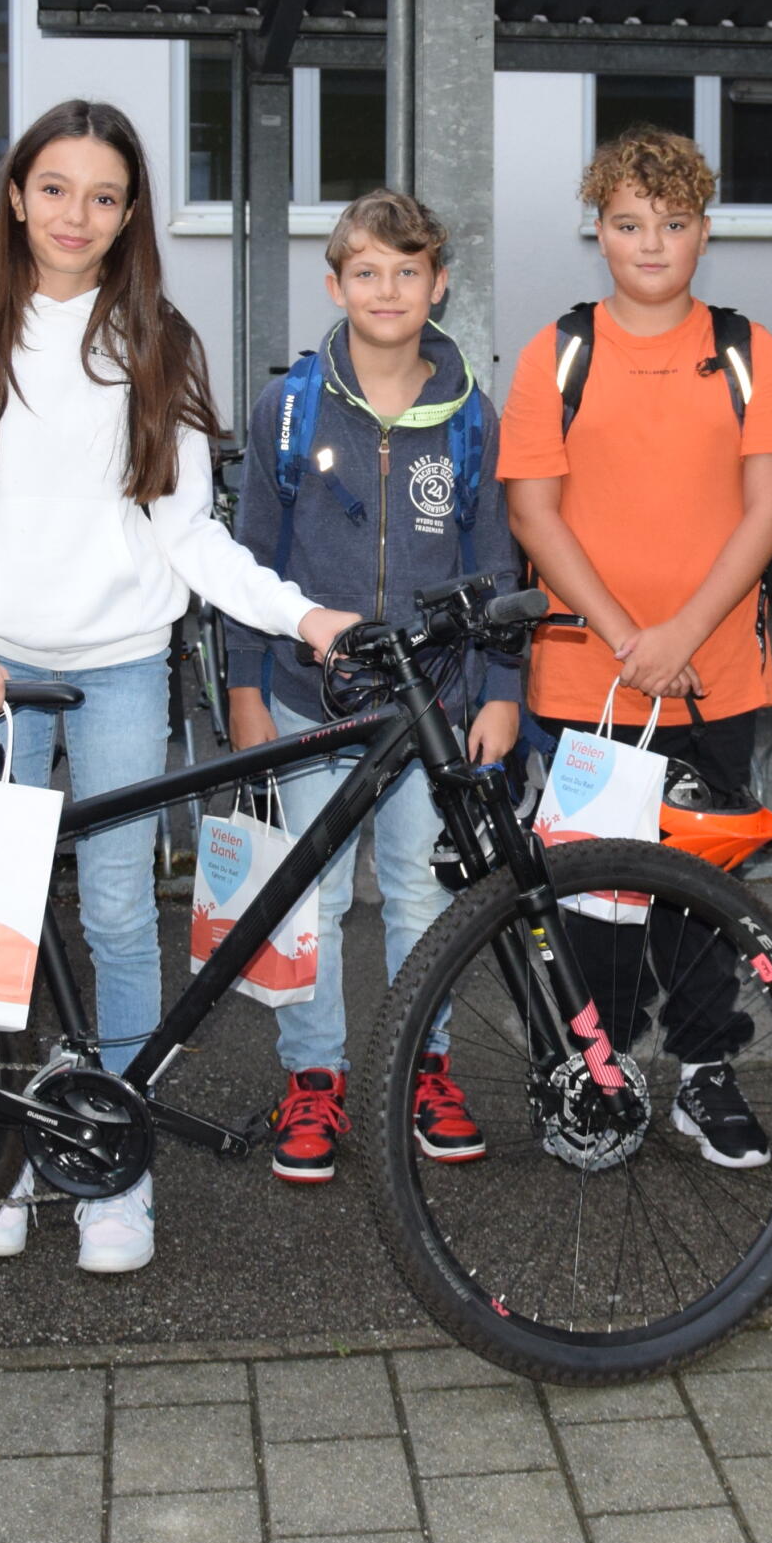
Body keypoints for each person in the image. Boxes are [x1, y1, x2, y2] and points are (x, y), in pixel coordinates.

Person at [0, 101, 354, 1274]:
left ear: (131, 211)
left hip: (120, 672)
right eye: (55, 189)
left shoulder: (157, 341)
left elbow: (190, 535)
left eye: (103, 196)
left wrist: (301, 614)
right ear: (14, 195)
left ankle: (112, 1163)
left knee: (113, 919)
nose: (76, 216)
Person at [499, 128, 772, 1171]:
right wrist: (632, 640)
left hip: (717, 673)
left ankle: (707, 1074)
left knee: (701, 893)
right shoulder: (558, 353)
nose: (651, 243)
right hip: (588, 673)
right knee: (594, 899)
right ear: (599, 232)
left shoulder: (747, 350)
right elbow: (536, 516)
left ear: (704, 234)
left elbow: (769, 511)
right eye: (629, 223)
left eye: (673, 224)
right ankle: (597, 1075)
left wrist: (679, 635)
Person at [227, 187, 523, 1184]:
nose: (387, 289)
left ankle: (419, 1068)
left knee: (415, 895)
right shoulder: (289, 410)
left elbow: (499, 568)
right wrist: (243, 689)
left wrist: (498, 689)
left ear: (439, 284)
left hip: (431, 710)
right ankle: (314, 1077)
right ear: (336, 283)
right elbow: (250, 564)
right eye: (367, 271)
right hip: (310, 706)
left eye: (408, 271)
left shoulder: (474, 416)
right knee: (307, 899)